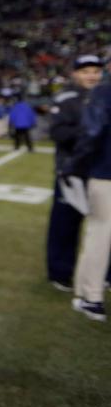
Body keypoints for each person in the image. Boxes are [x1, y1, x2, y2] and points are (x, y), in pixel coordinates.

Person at [46, 55, 103, 291]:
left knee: (102, 227)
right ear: (75, 74)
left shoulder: (104, 97)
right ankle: (60, 272)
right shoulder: (65, 98)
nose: (91, 76)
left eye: (95, 71)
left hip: (101, 172)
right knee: (65, 225)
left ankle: (101, 274)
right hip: (72, 171)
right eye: (86, 71)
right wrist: (92, 129)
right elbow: (59, 133)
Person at [65, 60, 111, 322]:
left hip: (106, 172)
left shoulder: (103, 92)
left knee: (99, 234)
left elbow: (93, 131)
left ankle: (91, 298)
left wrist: (74, 166)